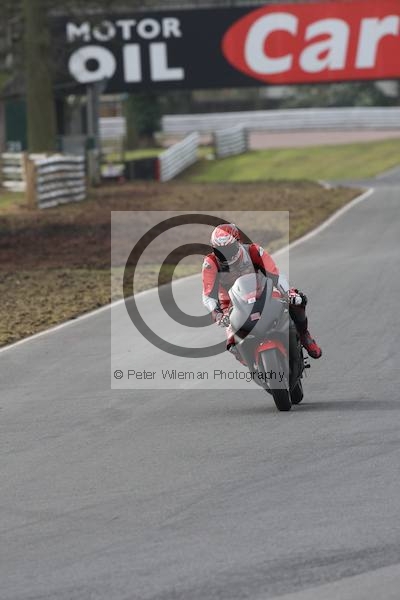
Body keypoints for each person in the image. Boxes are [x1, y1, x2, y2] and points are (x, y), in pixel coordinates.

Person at [202, 223, 322, 360]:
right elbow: (208, 296)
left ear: (238, 243)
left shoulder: (254, 251)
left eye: (228, 250)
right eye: (219, 251)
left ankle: (304, 335)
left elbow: (276, 276)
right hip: (230, 303)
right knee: (232, 345)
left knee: (297, 301)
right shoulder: (210, 263)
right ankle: (252, 363)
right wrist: (217, 314)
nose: (225, 255)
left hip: (264, 290)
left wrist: (289, 293)